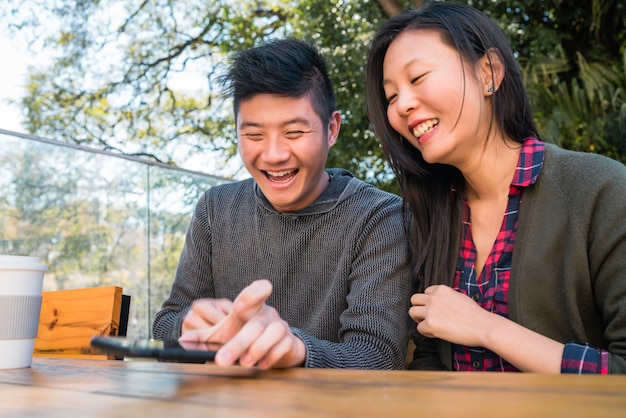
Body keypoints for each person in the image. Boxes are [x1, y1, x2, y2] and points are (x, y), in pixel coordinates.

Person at [365, 1, 626, 374]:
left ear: (489, 72)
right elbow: (428, 356)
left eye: (418, 78)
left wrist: (486, 328)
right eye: (391, 96)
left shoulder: (600, 190)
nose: (402, 105)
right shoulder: (429, 215)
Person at [153, 38, 411, 370]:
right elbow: (166, 324)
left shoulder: (379, 217)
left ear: (331, 129)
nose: (274, 155)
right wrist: (190, 325)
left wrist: (298, 350)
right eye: (254, 135)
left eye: (293, 132)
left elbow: (378, 356)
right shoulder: (215, 209)